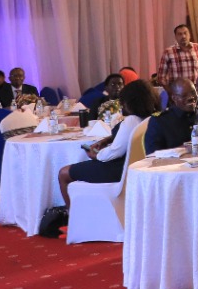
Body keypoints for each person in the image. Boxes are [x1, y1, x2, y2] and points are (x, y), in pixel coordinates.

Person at [58, 79, 157, 209]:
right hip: (133, 167)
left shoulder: (131, 120)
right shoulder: (150, 117)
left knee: (63, 173)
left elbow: (115, 152)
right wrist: (107, 140)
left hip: (118, 169)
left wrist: (96, 155)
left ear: (130, 102)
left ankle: (71, 214)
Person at [144, 77, 198, 153]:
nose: (191, 97)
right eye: (184, 95)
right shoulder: (160, 121)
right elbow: (152, 154)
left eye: (193, 92)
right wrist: (183, 149)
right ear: (174, 98)